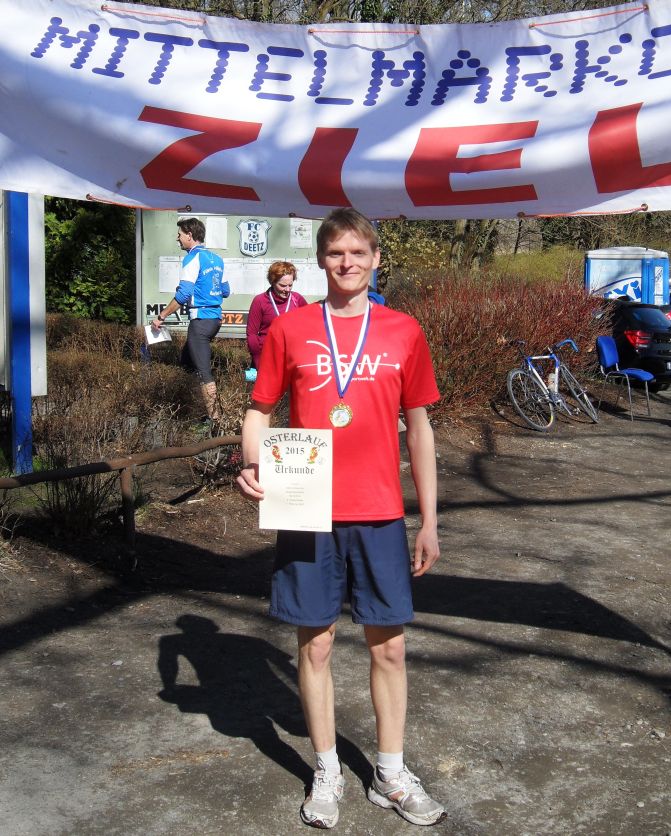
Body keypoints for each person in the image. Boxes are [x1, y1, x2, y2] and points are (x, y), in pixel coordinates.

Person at [236, 208, 446, 829]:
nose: (347, 264)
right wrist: (250, 464)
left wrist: (429, 520)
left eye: (358, 253)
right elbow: (258, 410)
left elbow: (421, 432)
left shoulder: (404, 331)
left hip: (380, 513)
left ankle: (389, 771)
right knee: (318, 644)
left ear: (376, 259)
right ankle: (326, 768)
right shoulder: (292, 329)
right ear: (321, 261)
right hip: (307, 509)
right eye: (335, 254)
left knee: (390, 648)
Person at [152, 218, 230, 422]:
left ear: (189, 235)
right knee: (186, 362)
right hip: (213, 320)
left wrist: (162, 316)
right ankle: (188, 410)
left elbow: (185, 294)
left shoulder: (192, 258)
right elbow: (226, 290)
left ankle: (217, 422)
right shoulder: (217, 259)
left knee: (204, 373)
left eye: (180, 234)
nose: (177, 238)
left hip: (201, 322)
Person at [246, 260, 308, 370]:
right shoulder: (260, 301)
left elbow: (310, 324)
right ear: (272, 282)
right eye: (283, 286)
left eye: (290, 285)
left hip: (292, 358)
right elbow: (252, 334)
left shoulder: (297, 299)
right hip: (268, 358)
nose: (287, 290)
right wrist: (258, 361)